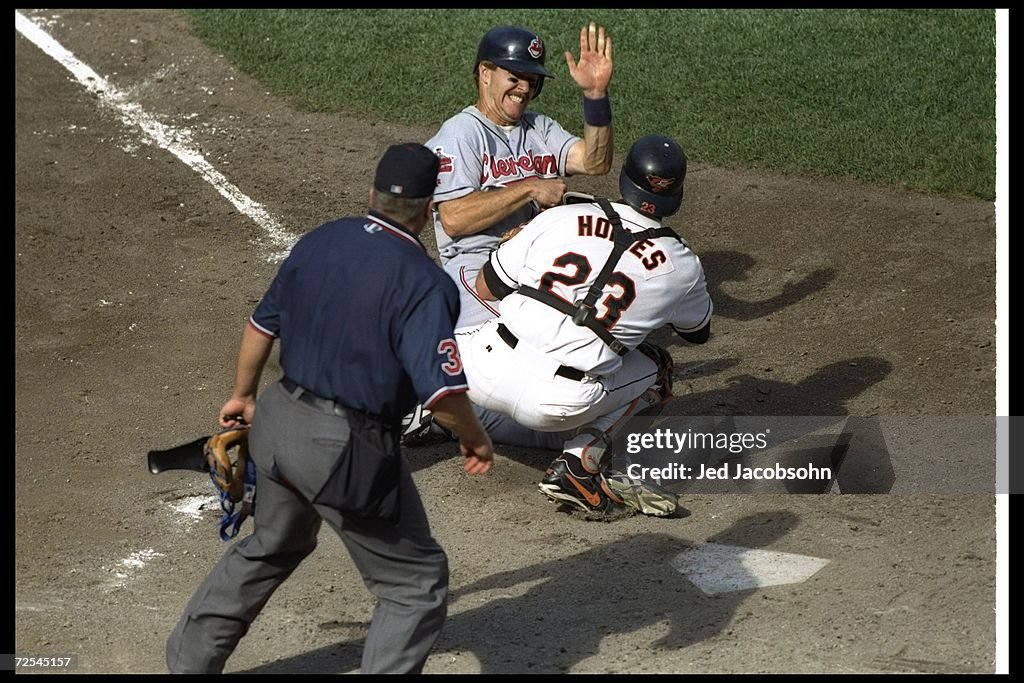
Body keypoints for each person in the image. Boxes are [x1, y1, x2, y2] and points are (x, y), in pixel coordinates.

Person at [166, 143, 494, 674]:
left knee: (274, 542)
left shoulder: (320, 240)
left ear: (372, 193)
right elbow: (442, 394)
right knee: (415, 583)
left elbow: (261, 325)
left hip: (276, 420)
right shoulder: (424, 282)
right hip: (343, 449)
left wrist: (243, 395)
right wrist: (474, 438)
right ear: (428, 208)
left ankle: (188, 663)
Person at [463, 134, 712, 517]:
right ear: (675, 194)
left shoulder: (558, 217)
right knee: (658, 367)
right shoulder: (683, 265)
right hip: (556, 404)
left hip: (479, 369)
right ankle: (580, 464)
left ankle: (416, 408)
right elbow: (697, 332)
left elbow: (485, 287)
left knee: (433, 328)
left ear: (625, 179)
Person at [405, 22, 614, 450]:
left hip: (536, 266)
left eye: (532, 80)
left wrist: (595, 97)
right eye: (514, 76)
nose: (524, 88)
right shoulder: (461, 134)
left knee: (583, 338)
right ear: (485, 73)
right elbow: (454, 219)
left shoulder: (539, 128)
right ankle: (445, 411)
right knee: (520, 359)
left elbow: (595, 162)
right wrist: (529, 188)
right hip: (478, 272)